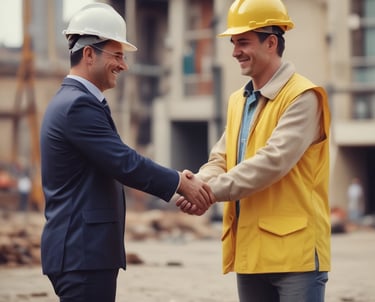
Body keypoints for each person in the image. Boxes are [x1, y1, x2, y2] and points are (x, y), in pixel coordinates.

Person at [39, 3, 214, 302]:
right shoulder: (77, 106)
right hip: (82, 254)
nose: (124, 65)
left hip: (86, 253)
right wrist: (181, 183)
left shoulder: (78, 101)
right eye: (117, 55)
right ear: (89, 53)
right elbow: (124, 162)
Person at [177, 0, 331, 301]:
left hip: (294, 255)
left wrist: (204, 191)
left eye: (243, 42)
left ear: (271, 42)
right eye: (234, 43)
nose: (235, 52)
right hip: (250, 250)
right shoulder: (239, 100)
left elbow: (271, 163)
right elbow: (221, 157)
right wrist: (196, 181)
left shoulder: (303, 97)